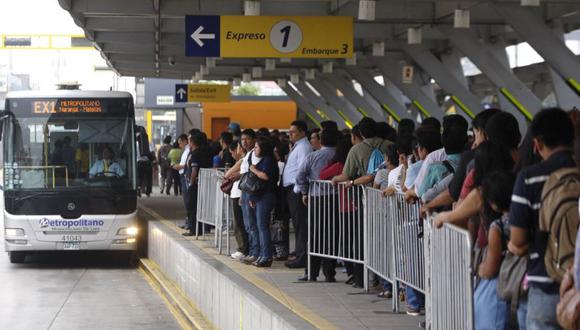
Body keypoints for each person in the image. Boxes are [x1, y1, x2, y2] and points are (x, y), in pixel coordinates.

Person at [509, 108, 576, 329]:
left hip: (546, 286)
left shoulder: (529, 178)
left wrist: (514, 245)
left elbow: (518, 240)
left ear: (536, 144)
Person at [331, 117, 393, 289]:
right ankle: (385, 279)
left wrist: (335, 180)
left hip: (366, 198)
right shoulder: (389, 145)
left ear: (360, 133)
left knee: (362, 237)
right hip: (390, 197)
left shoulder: (356, 149)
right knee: (385, 239)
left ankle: (362, 278)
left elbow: (345, 175)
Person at [295, 128, 338, 281]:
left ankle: (311, 273)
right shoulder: (339, 155)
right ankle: (329, 274)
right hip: (335, 200)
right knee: (331, 236)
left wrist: (305, 192)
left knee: (314, 236)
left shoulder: (313, 156)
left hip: (316, 199)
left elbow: (300, 175)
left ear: (321, 140)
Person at [474, 171, 515, 330]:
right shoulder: (527, 218)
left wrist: (480, 268)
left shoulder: (497, 227)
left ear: (493, 203)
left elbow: (491, 268)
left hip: (501, 292)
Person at [241, 137, 279, 267]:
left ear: (263, 148)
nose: (254, 149)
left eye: (256, 147)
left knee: (263, 227)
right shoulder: (263, 159)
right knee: (259, 226)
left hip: (266, 196)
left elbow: (265, 176)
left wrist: (254, 170)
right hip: (258, 196)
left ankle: (266, 256)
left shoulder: (268, 160)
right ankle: (262, 255)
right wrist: (252, 198)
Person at [282, 120, 313, 269]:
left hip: (297, 190)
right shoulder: (298, 146)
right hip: (292, 189)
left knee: (301, 224)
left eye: (293, 132)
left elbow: (303, 170)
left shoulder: (304, 148)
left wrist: (301, 190)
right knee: (298, 223)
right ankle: (300, 253)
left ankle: (302, 257)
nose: (290, 134)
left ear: (302, 132)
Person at [225, 129, 257, 263]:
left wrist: (239, 175)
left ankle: (246, 249)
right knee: (243, 223)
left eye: (247, 139)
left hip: (243, 193)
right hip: (241, 193)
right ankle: (247, 250)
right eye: (242, 140)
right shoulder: (247, 156)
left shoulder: (249, 156)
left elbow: (229, 174)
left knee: (245, 224)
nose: (244, 142)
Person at [182, 133, 212, 236]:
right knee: (196, 206)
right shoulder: (201, 152)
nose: (188, 143)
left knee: (192, 206)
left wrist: (191, 182)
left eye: (189, 141)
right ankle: (197, 229)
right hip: (199, 183)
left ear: (193, 142)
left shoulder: (195, 154)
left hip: (194, 184)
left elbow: (194, 169)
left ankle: (194, 229)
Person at [226, 141, 249, 261]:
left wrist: (235, 174)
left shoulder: (243, 160)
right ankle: (244, 248)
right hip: (237, 194)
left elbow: (228, 174)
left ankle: (243, 249)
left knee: (239, 223)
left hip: (239, 194)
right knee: (239, 223)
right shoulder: (242, 161)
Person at [173, 134, 191, 230]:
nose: (179, 144)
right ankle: (188, 221)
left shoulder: (188, 151)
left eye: (180, 142)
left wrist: (178, 166)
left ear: (185, 141)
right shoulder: (185, 151)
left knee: (188, 201)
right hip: (182, 176)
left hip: (185, 176)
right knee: (186, 201)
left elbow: (186, 165)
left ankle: (190, 222)